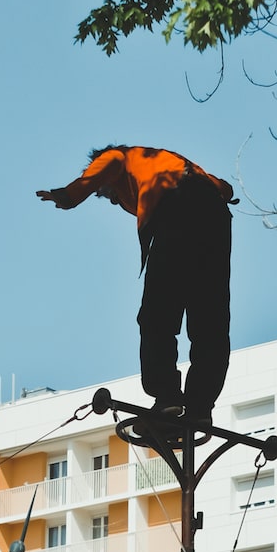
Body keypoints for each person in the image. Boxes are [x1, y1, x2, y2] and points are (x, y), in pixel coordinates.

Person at [37, 144, 236, 425]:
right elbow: (224, 189)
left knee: (158, 314)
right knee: (209, 318)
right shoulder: (173, 164)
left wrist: (69, 195)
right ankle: (200, 406)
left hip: (177, 208)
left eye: (110, 195)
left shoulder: (123, 157)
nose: (117, 202)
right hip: (215, 218)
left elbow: (110, 161)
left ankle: (166, 396)